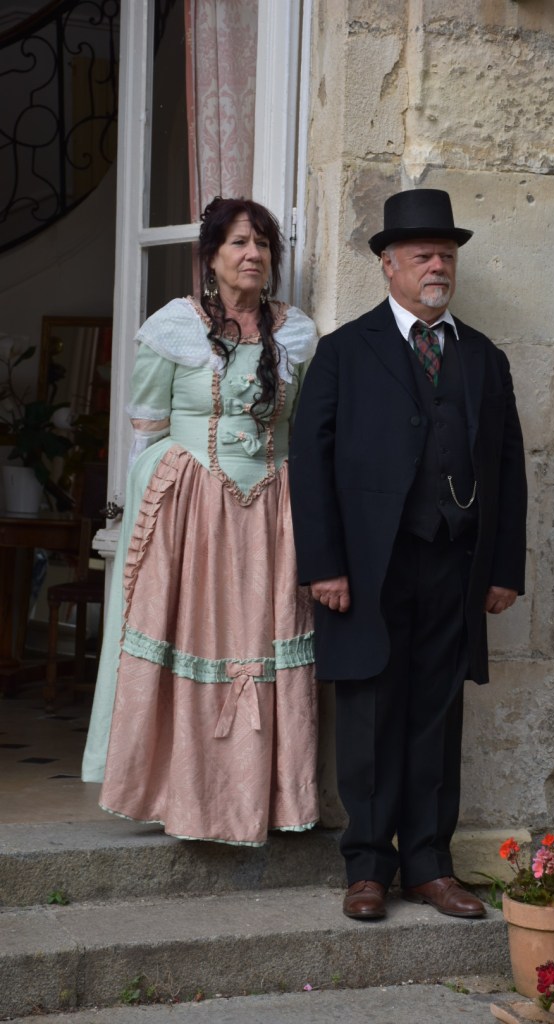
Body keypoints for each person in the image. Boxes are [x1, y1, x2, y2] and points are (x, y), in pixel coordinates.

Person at [289, 188, 527, 919]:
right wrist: (323, 564)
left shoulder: (482, 357)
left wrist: (503, 569)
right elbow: (309, 464)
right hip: (366, 569)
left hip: (454, 565)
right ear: (388, 265)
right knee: (368, 710)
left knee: (436, 714)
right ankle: (367, 868)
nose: (437, 267)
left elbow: (509, 468)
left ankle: (429, 865)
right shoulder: (343, 352)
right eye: (423, 255)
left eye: (446, 255)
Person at [82, 197, 319, 846]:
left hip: (272, 513)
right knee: (193, 635)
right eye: (239, 243)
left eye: (263, 244)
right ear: (210, 256)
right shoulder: (173, 327)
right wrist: (161, 510)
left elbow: (305, 429)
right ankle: (177, 791)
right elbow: (147, 433)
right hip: (192, 514)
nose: (253, 255)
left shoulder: (297, 333)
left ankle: (264, 798)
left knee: (263, 638)